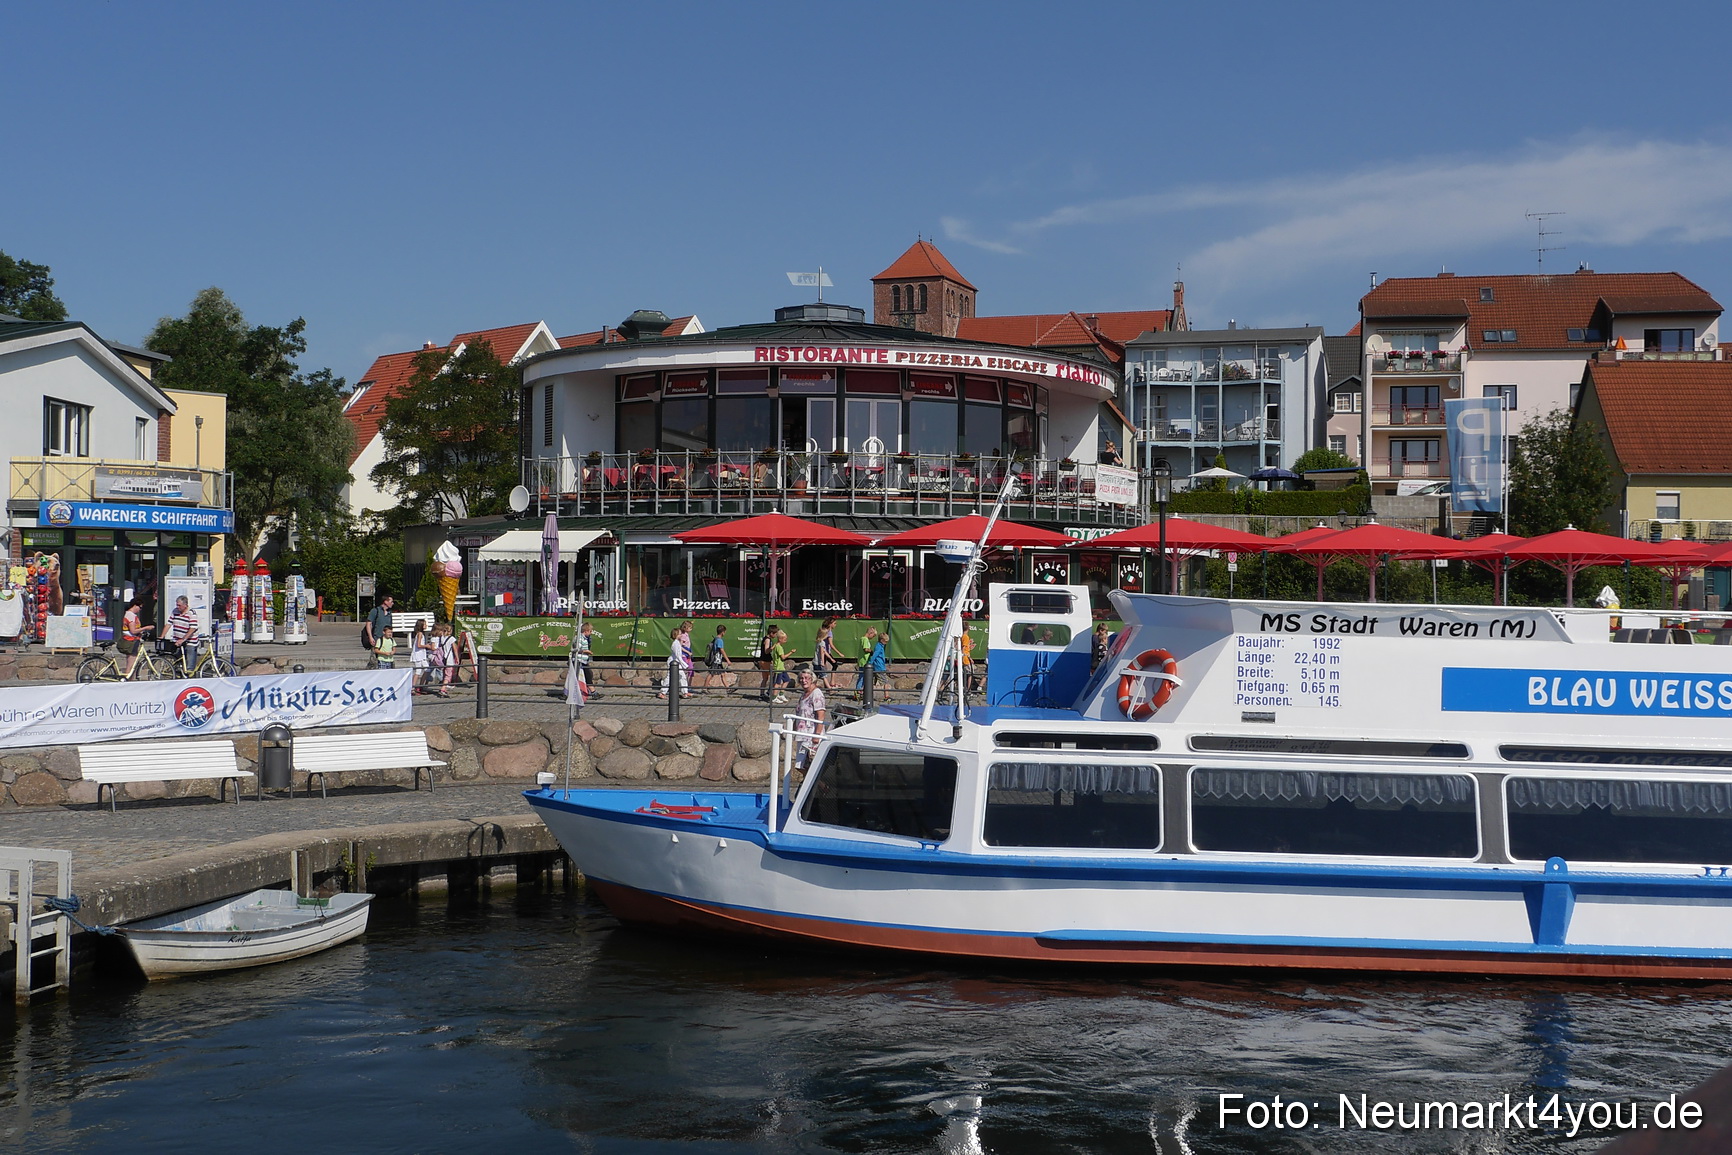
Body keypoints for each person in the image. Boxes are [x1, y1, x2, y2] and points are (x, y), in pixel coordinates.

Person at [792, 669, 826, 771]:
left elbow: (821, 715)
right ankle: (816, 786)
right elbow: (800, 714)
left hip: (811, 735)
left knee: (807, 765)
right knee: (800, 766)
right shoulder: (804, 694)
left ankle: (821, 786)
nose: (803, 680)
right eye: (801, 678)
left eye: (806, 678)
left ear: (812, 679)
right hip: (802, 735)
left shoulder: (816, 693)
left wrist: (817, 735)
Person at [118, 595, 153, 679]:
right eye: (140, 607)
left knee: (132, 664)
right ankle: (127, 682)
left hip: (132, 640)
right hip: (131, 641)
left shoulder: (130, 614)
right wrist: (146, 627)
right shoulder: (131, 615)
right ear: (135, 605)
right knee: (131, 664)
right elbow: (133, 630)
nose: (140, 609)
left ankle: (131, 680)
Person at [168, 595, 200, 670]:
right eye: (177, 605)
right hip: (178, 640)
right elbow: (168, 624)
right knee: (178, 662)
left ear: (185, 605)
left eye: (179, 605)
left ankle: (189, 677)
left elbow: (193, 628)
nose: (177, 607)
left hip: (190, 642)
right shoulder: (175, 611)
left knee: (189, 665)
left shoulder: (191, 613)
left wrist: (183, 639)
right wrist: (161, 636)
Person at [362, 594, 394, 669]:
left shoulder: (389, 613)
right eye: (391, 601)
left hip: (387, 641)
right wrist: (370, 637)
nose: (392, 603)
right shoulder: (376, 611)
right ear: (385, 602)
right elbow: (368, 623)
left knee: (388, 661)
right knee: (374, 661)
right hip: (377, 639)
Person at [813, 618, 842, 691]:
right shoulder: (828, 633)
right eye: (834, 623)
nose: (835, 625)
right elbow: (829, 646)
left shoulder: (821, 637)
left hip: (825, 652)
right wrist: (839, 653)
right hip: (825, 653)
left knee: (819, 673)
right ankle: (830, 686)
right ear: (830, 624)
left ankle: (815, 686)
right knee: (825, 671)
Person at [433, 623, 458, 696]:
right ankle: (443, 688)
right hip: (449, 659)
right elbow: (455, 649)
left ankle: (444, 686)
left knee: (445, 673)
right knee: (448, 674)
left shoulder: (441, 638)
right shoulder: (451, 639)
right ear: (450, 631)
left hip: (442, 659)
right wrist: (457, 657)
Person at [411, 618, 432, 694]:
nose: (426, 625)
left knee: (427, 669)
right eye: (425, 624)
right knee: (418, 671)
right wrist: (426, 646)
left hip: (422, 655)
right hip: (418, 655)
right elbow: (418, 645)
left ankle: (421, 685)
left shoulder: (422, 634)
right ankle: (412, 687)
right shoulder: (420, 634)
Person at [770, 629, 791, 704]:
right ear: (780, 639)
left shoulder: (776, 645)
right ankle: (774, 697)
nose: (785, 641)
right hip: (778, 668)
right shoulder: (779, 647)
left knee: (787, 680)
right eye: (784, 639)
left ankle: (781, 694)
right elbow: (783, 657)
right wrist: (791, 653)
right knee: (777, 683)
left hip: (781, 667)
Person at [855, 626, 877, 697]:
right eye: (873, 636)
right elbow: (866, 649)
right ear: (870, 633)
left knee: (862, 677)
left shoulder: (862, 638)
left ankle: (859, 691)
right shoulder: (865, 639)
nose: (872, 637)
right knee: (862, 677)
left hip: (862, 661)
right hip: (864, 661)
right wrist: (871, 651)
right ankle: (858, 691)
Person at [757, 630, 777, 700]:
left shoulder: (765, 638)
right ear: (771, 633)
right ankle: (769, 692)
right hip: (766, 661)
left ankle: (762, 694)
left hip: (762, 660)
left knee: (765, 678)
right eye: (775, 634)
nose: (775, 635)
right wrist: (773, 647)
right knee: (773, 676)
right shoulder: (768, 640)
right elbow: (766, 650)